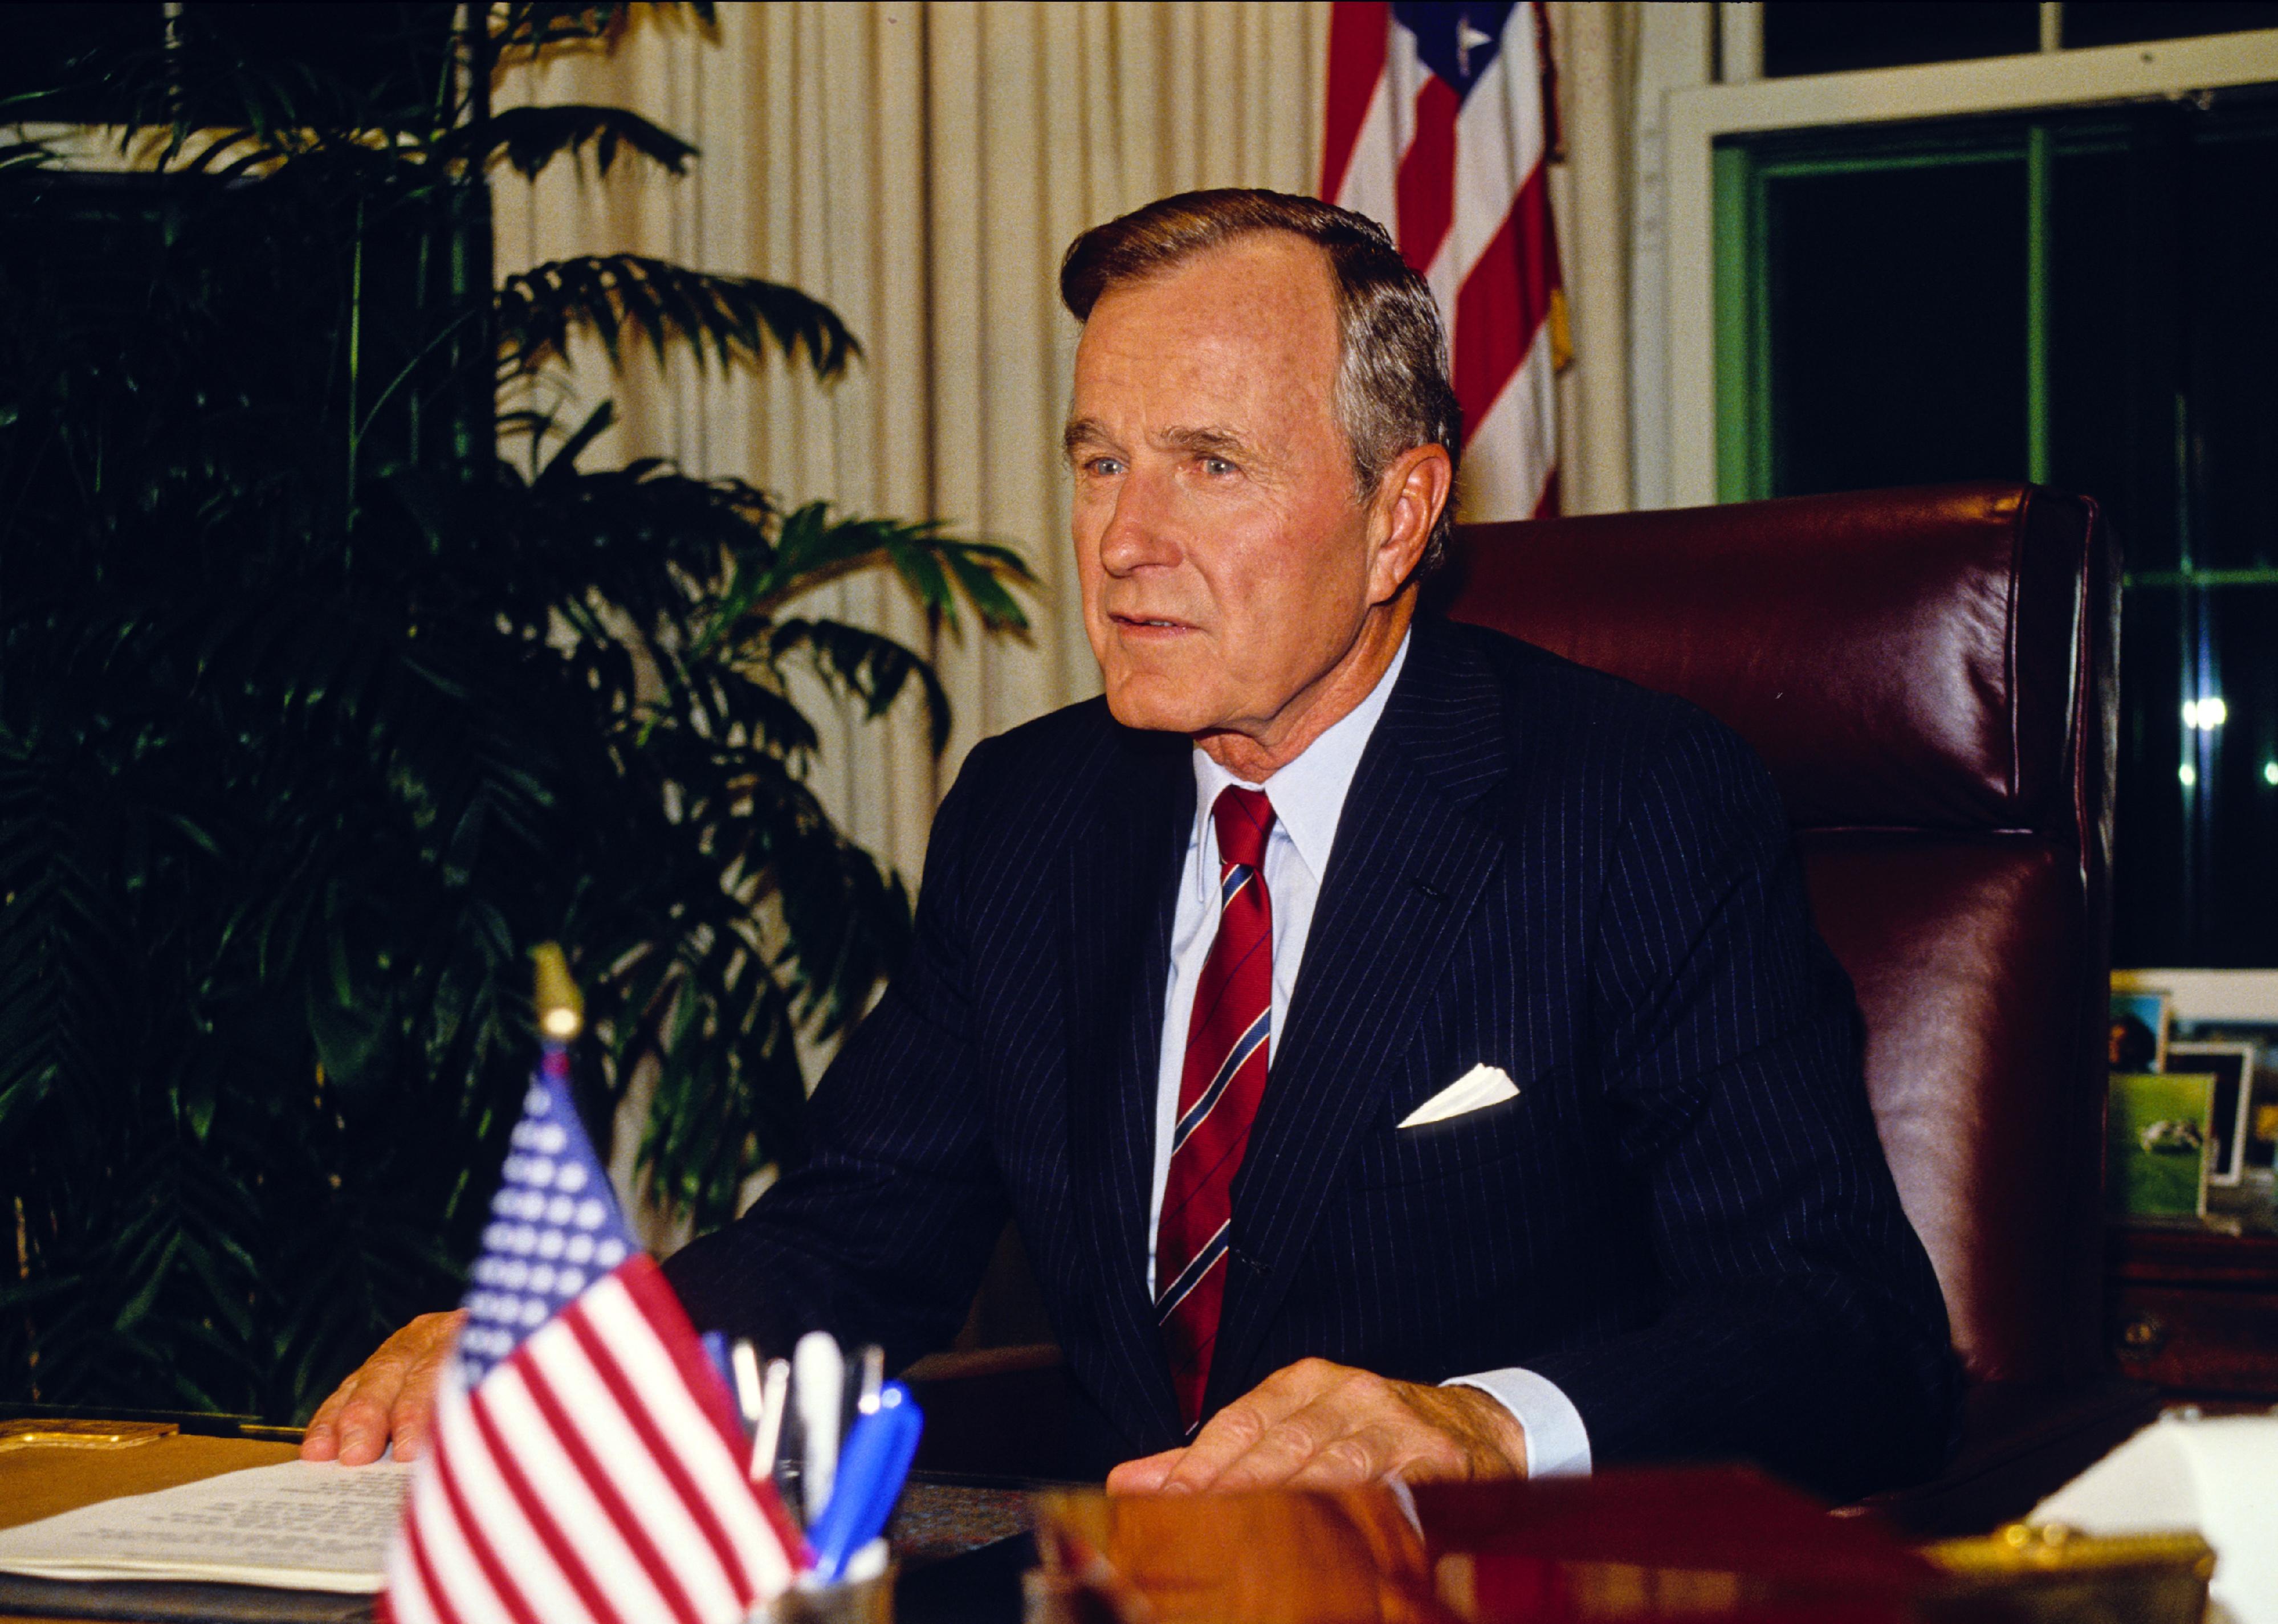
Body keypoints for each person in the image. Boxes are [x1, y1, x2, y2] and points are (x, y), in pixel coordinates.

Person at [304, 189, 1961, 1498]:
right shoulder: (1034, 816)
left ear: (1401, 515)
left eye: (1210, 465)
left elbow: (1843, 1338)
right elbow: (849, 1243)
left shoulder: (1636, 806)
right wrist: (573, 1356)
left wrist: (1477, 1425)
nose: (1124, 539)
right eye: (1100, 459)